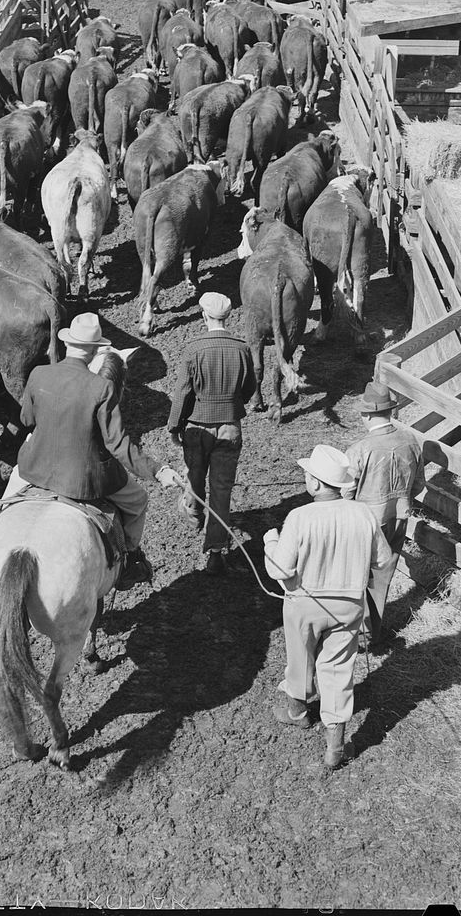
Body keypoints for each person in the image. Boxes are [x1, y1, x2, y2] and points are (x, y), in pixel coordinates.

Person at [4, 313, 183, 591]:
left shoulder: (39, 374)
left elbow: (27, 420)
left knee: (7, 501)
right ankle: (130, 558)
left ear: (67, 344)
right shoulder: (102, 388)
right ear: (92, 350)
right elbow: (117, 444)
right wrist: (157, 470)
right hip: (82, 479)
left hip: (33, 467)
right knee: (138, 501)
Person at [263, 444, 392, 769]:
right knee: (337, 670)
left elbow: (279, 570)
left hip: (304, 603)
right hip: (348, 605)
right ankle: (335, 747)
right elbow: (383, 559)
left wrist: (270, 542)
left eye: (308, 474)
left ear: (317, 484)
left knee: (300, 658)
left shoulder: (299, 517)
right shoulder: (363, 514)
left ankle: (298, 712)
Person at [167, 292, 257, 576]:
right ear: (227, 317)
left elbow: (182, 392)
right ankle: (216, 553)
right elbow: (249, 389)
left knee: (195, 475)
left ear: (204, 316)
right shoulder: (242, 349)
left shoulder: (193, 349)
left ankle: (193, 512)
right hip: (230, 426)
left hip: (196, 426)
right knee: (221, 489)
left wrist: (174, 426)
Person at [346, 381, 425, 648]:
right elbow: (418, 485)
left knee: (358, 575)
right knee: (382, 576)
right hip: (399, 517)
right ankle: (373, 632)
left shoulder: (360, 449)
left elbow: (346, 491)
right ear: (390, 411)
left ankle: (360, 632)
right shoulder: (410, 442)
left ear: (366, 415)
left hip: (367, 521)